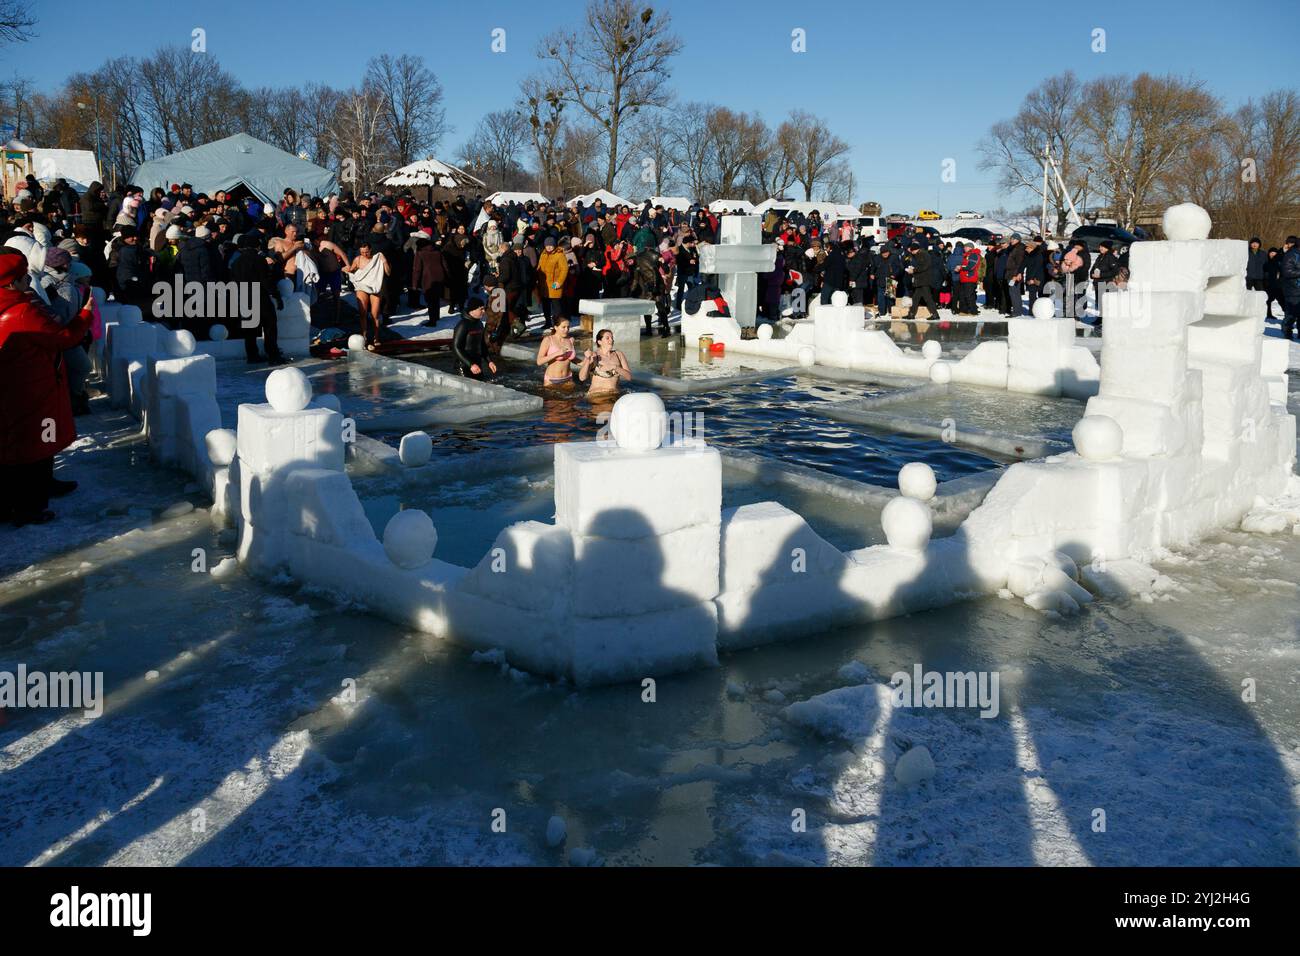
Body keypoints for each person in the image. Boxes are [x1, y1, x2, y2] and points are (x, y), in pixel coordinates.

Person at [0, 251, 94, 527]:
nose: (29, 280)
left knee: (28, 442)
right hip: (32, 388)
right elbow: (63, 337)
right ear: (12, 282)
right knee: (34, 446)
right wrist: (86, 314)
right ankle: (28, 507)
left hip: (19, 385)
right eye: (24, 277)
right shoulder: (20, 311)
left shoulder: (16, 305)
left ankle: (38, 490)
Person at [344, 239, 389, 350]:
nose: (365, 254)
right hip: (362, 287)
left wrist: (384, 261)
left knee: (375, 314)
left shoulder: (377, 259)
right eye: (362, 252)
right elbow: (351, 270)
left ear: (371, 250)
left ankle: (376, 337)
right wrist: (347, 270)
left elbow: (388, 272)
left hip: (375, 287)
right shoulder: (358, 259)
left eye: (367, 252)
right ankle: (364, 336)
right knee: (363, 313)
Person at [452, 292, 497, 379]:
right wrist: (470, 364)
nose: (484, 311)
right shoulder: (463, 325)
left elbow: (482, 344)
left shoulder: (479, 324)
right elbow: (456, 347)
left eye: (484, 308)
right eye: (481, 309)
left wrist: (489, 361)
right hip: (464, 365)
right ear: (472, 310)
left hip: (477, 364)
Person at [578, 327, 631, 398]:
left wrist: (615, 367)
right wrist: (587, 359)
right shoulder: (594, 356)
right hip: (597, 396)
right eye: (607, 338)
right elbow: (582, 378)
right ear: (599, 342)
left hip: (614, 395)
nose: (611, 340)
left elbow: (629, 377)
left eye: (612, 338)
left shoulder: (619, 354)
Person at [537, 236, 568, 328]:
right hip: (544, 285)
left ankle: (557, 324)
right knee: (546, 305)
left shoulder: (560, 255)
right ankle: (547, 322)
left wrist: (559, 282)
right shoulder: (543, 254)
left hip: (554, 285)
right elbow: (539, 267)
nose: (549, 247)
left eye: (551, 245)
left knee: (556, 307)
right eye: (547, 245)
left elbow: (564, 269)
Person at [535, 316, 576, 387]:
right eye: (563, 327)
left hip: (568, 379)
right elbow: (539, 361)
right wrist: (557, 353)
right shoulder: (548, 340)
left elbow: (573, 359)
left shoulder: (570, 340)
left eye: (568, 327)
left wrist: (587, 361)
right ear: (556, 327)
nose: (566, 330)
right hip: (552, 380)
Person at [903, 240, 936, 320]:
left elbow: (924, 266)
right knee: (915, 298)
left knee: (927, 298)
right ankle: (911, 314)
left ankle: (935, 314)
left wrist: (913, 270)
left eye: (912, 251)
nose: (911, 252)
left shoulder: (922, 254)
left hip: (924, 280)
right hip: (920, 280)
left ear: (915, 249)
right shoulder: (919, 254)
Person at [1279, 235, 1300, 341]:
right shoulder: (1291, 254)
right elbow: (1287, 272)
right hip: (1293, 289)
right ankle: (1287, 332)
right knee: (1292, 313)